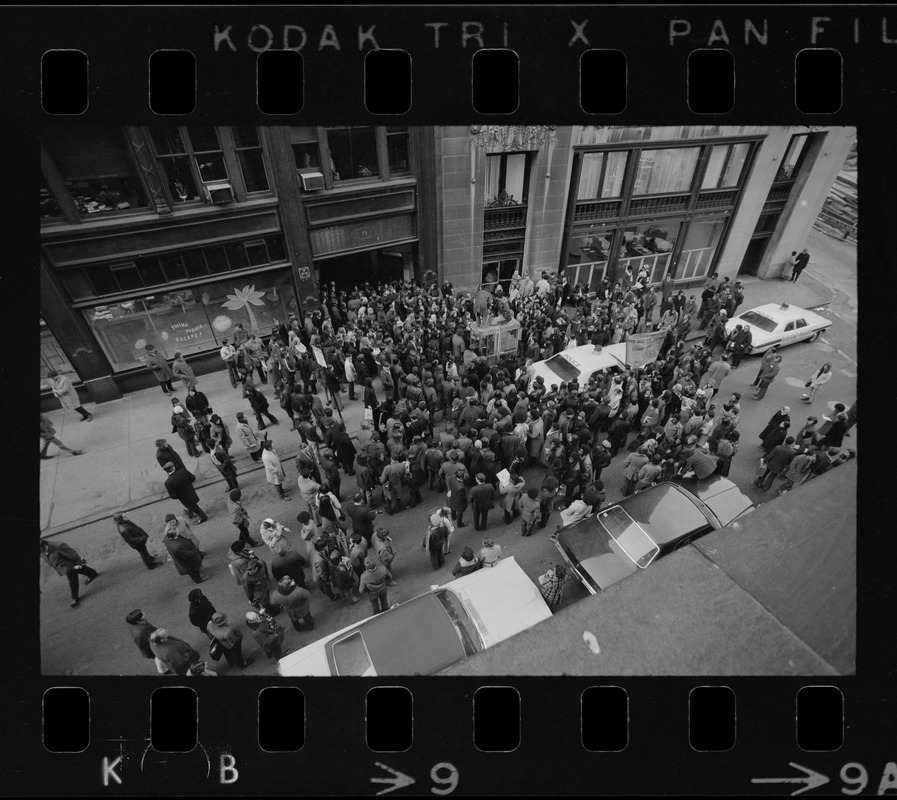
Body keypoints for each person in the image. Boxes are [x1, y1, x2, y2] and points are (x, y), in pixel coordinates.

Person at [40, 539, 99, 608]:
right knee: (79, 570)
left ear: (43, 545)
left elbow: (72, 555)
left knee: (72, 580)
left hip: (68, 565)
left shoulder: (59, 546)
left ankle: (75, 598)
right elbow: (46, 558)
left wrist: (79, 563)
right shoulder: (41, 550)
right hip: (62, 566)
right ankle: (92, 573)